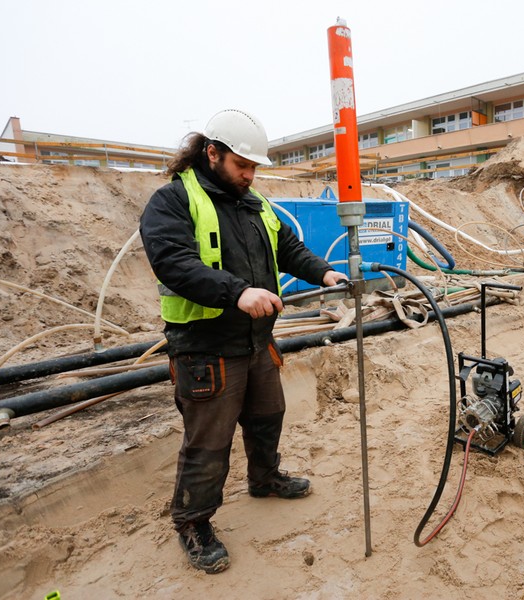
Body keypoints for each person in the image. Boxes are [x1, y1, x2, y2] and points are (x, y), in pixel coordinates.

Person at [139, 109, 348, 574]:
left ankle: (265, 478)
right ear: (212, 153)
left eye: (254, 167)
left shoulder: (254, 204)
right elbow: (173, 262)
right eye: (242, 165)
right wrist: (237, 292)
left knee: (268, 415)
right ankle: (193, 523)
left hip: (256, 341)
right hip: (206, 347)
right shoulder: (173, 201)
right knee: (209, 442)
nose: (249, 175)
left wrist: (323, 271)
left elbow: (287, 247)